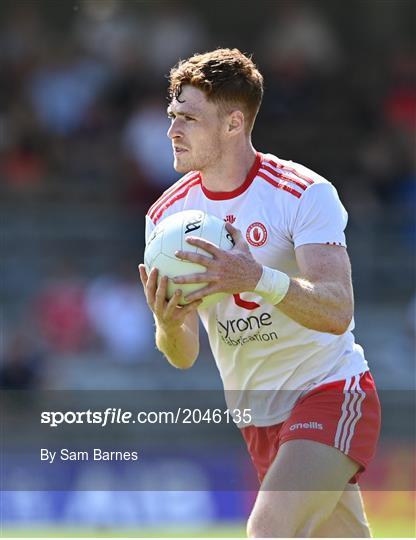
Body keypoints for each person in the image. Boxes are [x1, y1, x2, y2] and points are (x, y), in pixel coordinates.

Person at [138, 48, 381, 538]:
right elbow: (182, 355)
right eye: (171, 116)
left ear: (233, 123)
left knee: (268, 530)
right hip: (258, 417)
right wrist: (166, 324)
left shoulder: (302, 193)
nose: (172, 130)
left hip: (330, 392)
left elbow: (337, 308)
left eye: (188, 117)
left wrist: (255, 279)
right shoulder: (165, 218)